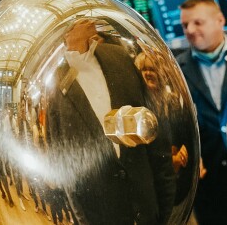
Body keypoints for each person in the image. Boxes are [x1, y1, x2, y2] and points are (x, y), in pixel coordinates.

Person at [45, 18, 174, 225]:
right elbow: (64, 164)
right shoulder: (51, 81)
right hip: (99, 215)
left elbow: (156, 138)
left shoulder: (119, 57)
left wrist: (168, 212)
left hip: (149, 211)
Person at [176, 0, 227, 225]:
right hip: (210, 185)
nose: (190, 30)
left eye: (197, 22)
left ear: (220, 20)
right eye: (185, 25)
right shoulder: (175, 69)